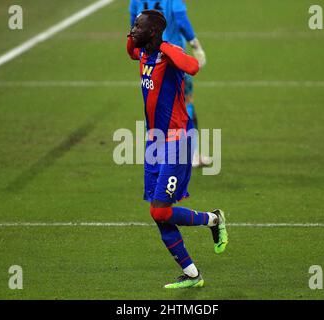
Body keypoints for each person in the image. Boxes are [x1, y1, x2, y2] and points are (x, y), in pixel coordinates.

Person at [127, 10, 228, 289]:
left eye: (138, 26)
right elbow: (129, 50)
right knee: (157, 212)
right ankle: (193, 274)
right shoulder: (144, 54)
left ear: (153, 32)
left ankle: (213, 219)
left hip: (176, 141)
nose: (133, 29)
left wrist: (165, 46)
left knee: (160, 212)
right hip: (153, 142)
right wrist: (134, 34)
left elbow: (193, 67)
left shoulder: (166, 51)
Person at [129, 0, 210, 167]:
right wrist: (195, 44)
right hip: (172, 59)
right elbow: (180, 19)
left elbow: (133, 24)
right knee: (184, 103)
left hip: (148, 60)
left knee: (154, 103)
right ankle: (191, 154)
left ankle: (155, 153)